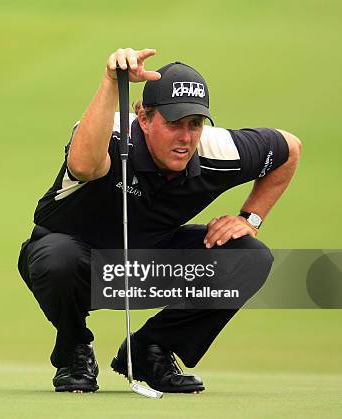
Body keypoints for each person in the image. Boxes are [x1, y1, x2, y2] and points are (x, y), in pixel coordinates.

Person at [17, 48, 301, 393]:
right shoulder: (109, 134)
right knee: (56, 258)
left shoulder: (217, 150)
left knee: (250, 256)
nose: (185, 138)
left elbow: (289, 148)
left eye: (194, 124)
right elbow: (85, 166)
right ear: (144, 118)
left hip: (147, 266)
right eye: (173, 124)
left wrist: (249, 218)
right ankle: (75, 349)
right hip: (76, 266)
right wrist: (111, 80)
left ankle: (151, 349)